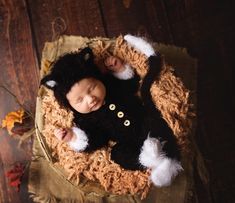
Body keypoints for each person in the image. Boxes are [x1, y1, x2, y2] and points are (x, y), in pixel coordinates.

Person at [41, 35, 183, 187]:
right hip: (128, 142)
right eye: (80, 100)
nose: (90, 99)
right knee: (118, 154)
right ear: (70, 105)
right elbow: (95, 140)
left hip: (143, 120)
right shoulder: (85, 120)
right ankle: (148, 160)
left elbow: (131, 86)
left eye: (92, 88)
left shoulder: (111, 85)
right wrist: (73, 137)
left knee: (155, 123)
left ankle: (167, 158)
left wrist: (121, 69)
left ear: (99, 79)